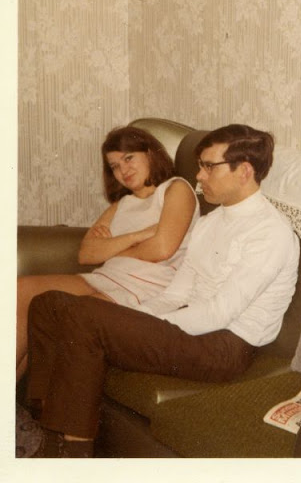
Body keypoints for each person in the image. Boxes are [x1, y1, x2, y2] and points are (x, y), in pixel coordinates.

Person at [25, 124, 300, 458]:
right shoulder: (212, 222)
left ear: (244, 171)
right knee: (48, 303)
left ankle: (74, 453)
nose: (199, 176)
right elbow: (176, 292)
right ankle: (46, 423)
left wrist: (148, 325)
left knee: (83, 315)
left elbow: (218, 313)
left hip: (223, 347)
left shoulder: (270, 233)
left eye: (208, 166)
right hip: (186, 326)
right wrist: (135, 318)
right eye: (200, 166)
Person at [16, 126, 200, 382]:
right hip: (106, 277)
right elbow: (87, 254)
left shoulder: (175, 188)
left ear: (150, 154)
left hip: (145, 286)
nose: (123, 170)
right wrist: (138, 235)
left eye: (129, 158)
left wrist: (111, 247)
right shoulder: (121, 205)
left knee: (63, 316)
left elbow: (162, 249)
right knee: (19, 290)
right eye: (114, 166)